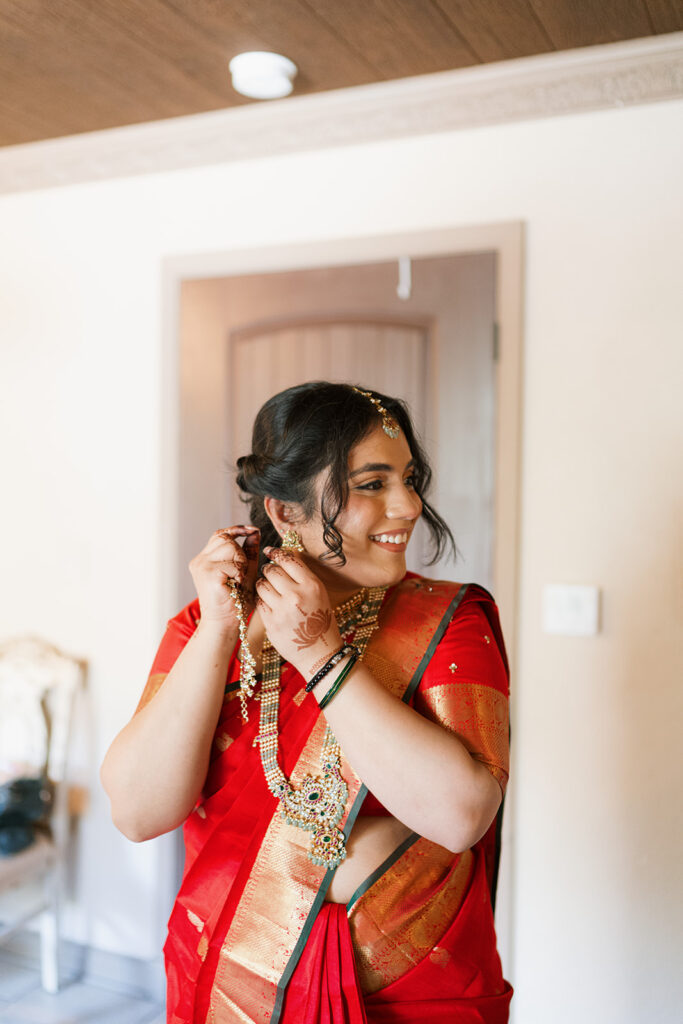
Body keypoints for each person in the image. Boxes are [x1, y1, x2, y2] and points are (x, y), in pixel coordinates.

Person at [101, 381, 512, 1024]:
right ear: (286, 513)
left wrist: (320, 656)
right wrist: (217, 629)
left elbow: (461, 815)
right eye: (373, 484)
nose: (408, 505)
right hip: (231, 976)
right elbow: (137, 811)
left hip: (404, 995)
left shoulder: (450, 623)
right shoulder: (206, 626)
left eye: (409, 478)